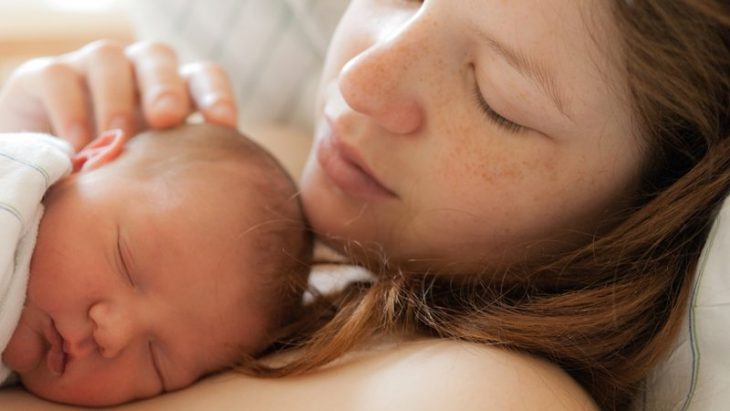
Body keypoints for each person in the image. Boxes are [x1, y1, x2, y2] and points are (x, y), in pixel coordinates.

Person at [0, 0, 727, 409]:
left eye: (497, 101)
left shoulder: (476, 392)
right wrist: (24, 144)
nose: (359, 78)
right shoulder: (191, 150)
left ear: (646, 210)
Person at [0, 124, 312, 407]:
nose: (113, 335)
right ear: (91, 159)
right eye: (125, 263)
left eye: (157, 361)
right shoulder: (18, 177)